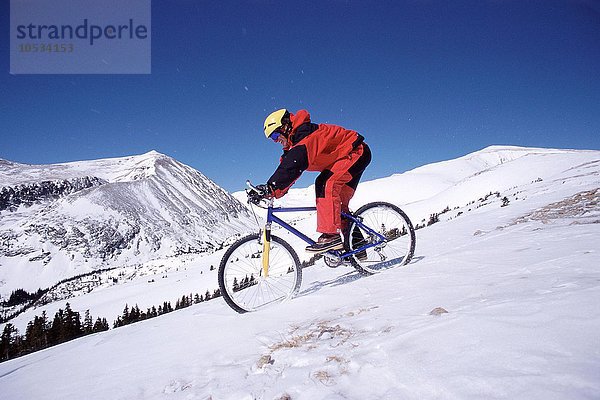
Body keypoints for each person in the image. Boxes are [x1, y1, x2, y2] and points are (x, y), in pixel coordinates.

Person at [252, 109, 371, 254]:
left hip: (356, 151)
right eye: (273, 138)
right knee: (337, 206)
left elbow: (293, 165)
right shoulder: (295, 144)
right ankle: (358, 250)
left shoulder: (306, 135)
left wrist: (271, 187)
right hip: (347, 157)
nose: (276, 140)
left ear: (285, 126)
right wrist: (269, 190)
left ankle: (331, 236)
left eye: (276, 135)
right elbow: (287, 166)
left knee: (325, 184)